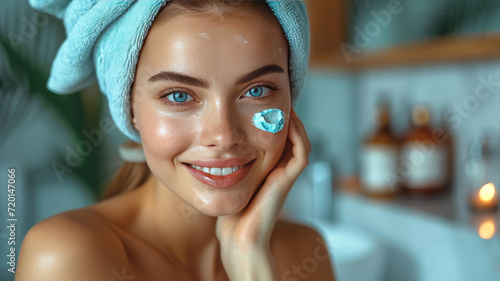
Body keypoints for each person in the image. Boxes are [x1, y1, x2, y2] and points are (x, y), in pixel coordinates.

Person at [16, 1, 335, 280]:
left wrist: (250, 262)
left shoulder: (305, 252)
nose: (224, 137)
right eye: (179, 95)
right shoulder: (68, 258)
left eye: (257, 90)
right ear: (130, 109)